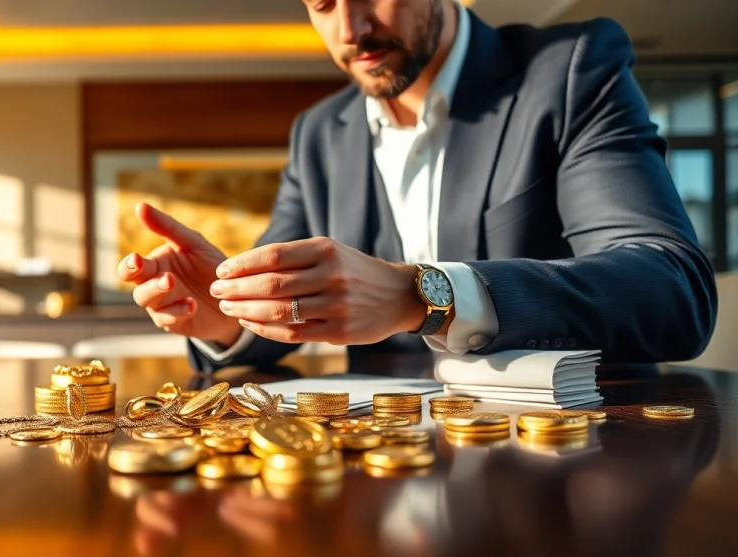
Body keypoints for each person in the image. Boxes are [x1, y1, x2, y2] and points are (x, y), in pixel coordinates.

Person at [117, 0, 718, 374]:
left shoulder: (569, 71)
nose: (351, 29)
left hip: (563, 469)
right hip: (376, 486)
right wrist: (227, 311)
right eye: (321, 3)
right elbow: (294, 301)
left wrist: (423, 296)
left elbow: (671, 288)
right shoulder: (319, 133)